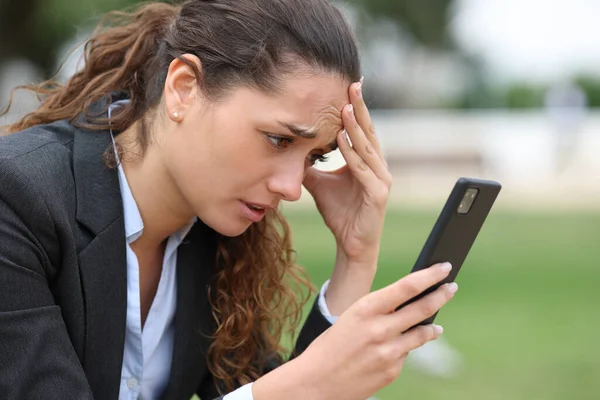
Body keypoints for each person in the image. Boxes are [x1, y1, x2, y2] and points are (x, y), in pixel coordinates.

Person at [0, 1, 458, 399]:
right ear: (184, 88)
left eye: (314, 156)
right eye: (279, 140)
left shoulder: (215, 236)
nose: (292, 186)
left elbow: (283, 387)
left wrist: (355, 261)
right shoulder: (16, 196)